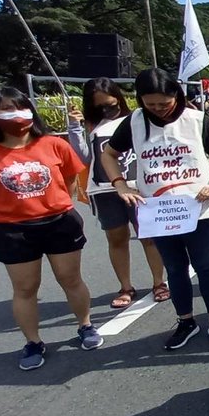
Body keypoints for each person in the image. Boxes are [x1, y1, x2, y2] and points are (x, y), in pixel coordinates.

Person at [0, 86, 101, 370]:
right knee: (25, 288)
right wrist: (17, 211)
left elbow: (69, 180)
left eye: (19, 106)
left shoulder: (54, 144)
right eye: (5, 109)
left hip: (59, 222)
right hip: (13, 230)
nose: (15, 115)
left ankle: (85, 325)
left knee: (70, 278)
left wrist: (52, 204)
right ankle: (33, 342)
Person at [103, 68, 209, 351]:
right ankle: (185, 320)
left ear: (176, 94)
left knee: (205, 265)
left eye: (164, 103)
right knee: (175, 269)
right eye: (150, 104)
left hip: (196, 207)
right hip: (158, 211)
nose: (158, 110)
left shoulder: (197, 120)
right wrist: (120, 185)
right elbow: (109, 154)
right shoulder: (134, 122)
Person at [67, 78, 169, 308]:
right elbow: (84, 158)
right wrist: (74, 127)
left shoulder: (137, 119)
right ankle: (125, 287)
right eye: (100, 106)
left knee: (150, 237)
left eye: (111, 104)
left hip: (139, 188)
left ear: (119, 99)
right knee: (116, 238)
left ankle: (159, 283)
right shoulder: (92, 125)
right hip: (104, 190)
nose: (107, 110)